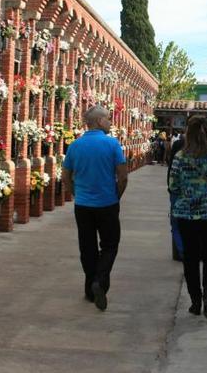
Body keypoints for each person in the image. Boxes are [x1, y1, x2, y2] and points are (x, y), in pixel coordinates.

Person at [62, 105, 128, 311]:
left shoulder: (74, 146)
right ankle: (100, 280)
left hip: (83, 205)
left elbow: (65, 176)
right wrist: (116, 196)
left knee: (87, 246)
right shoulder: (112, 144)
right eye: (108, 119)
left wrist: (76, 193)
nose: (110, 122)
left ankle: (91, 291)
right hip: (107, 203)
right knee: (109, 244)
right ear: (99, 122)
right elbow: (123, 176)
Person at [169, 116, 207, 319]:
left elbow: (173, 186)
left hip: (186, 215)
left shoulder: (180, 157)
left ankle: (195, 301)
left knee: (191, 257)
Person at [167, 133, 186, 261]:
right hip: (201, 198)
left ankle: (182, 251)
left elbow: (172, 178)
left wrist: (171, 188)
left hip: (178, 193)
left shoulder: (178, 151)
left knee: (177, 223)